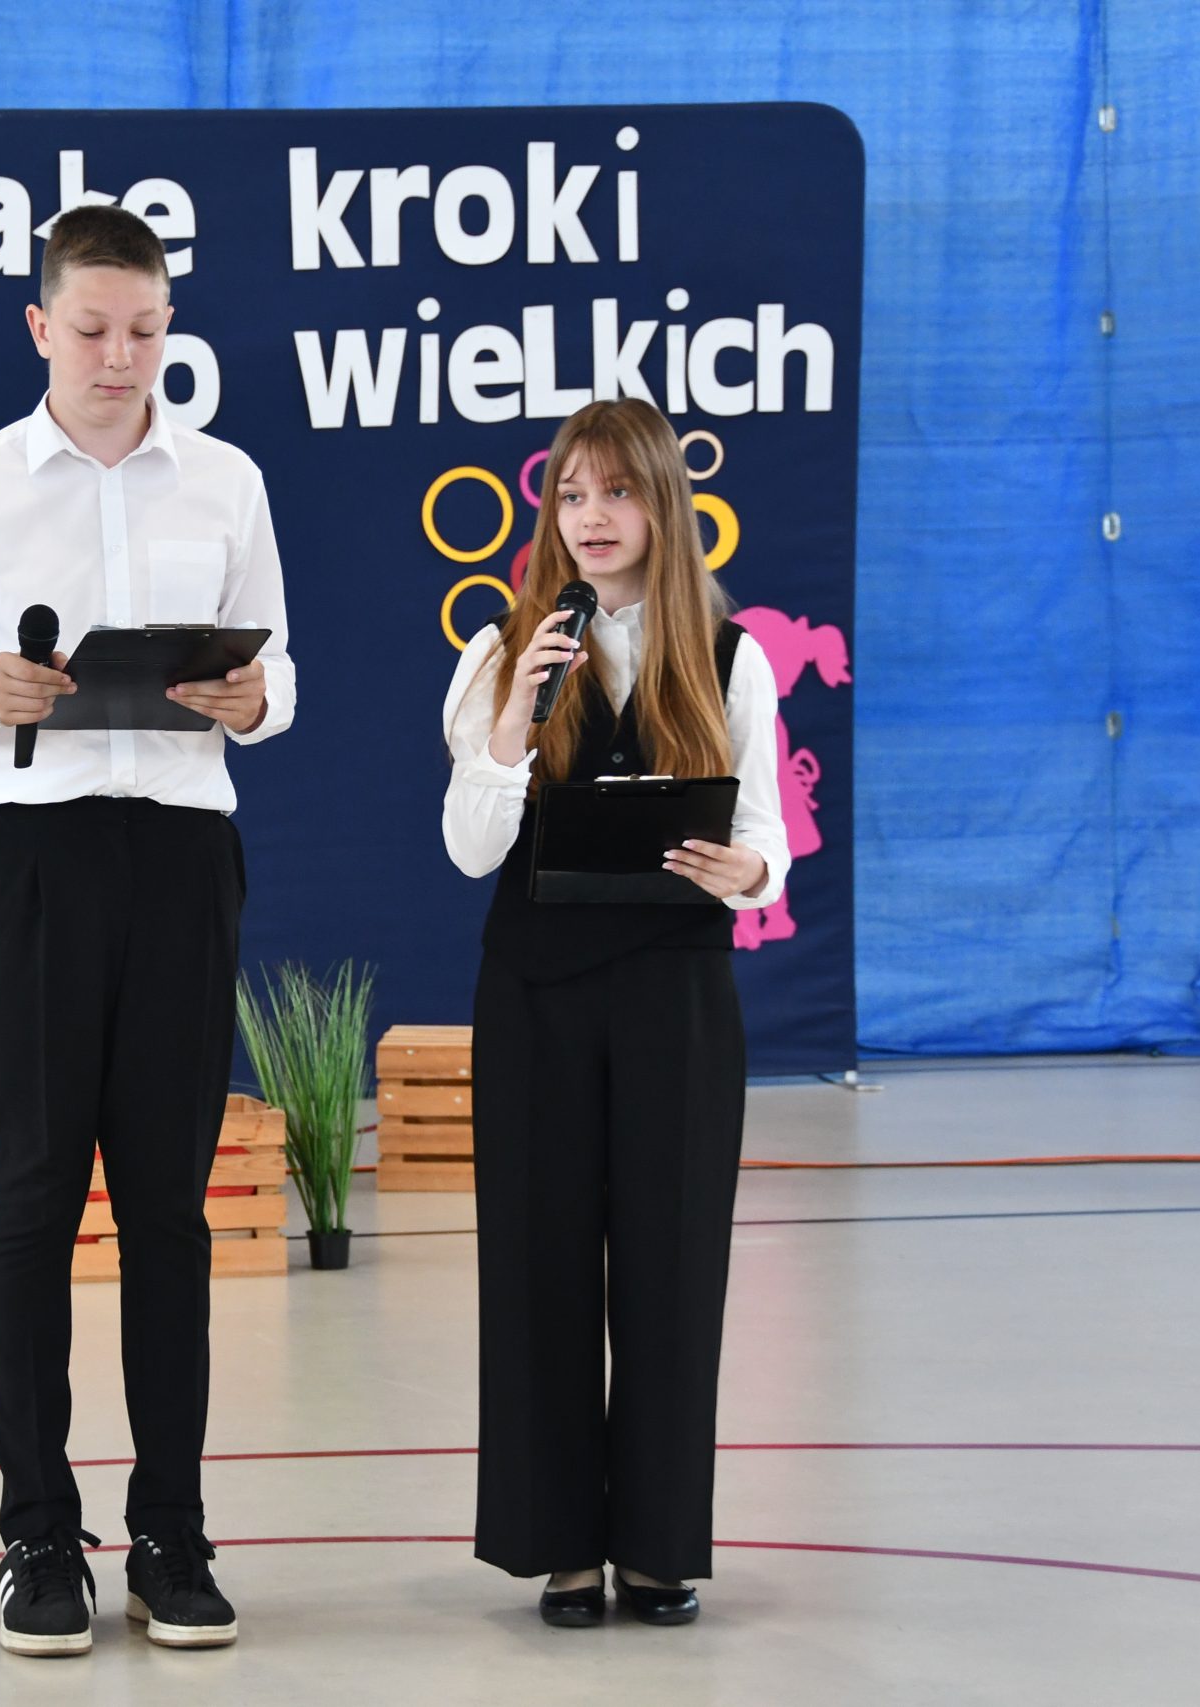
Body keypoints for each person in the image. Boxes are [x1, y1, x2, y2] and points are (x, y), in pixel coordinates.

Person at [0, 204, 295, 1658]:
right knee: (38, 1197)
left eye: (145, 329)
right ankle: (37, 1537)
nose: (121, 356)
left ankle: (172, 1531)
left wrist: (253, 698)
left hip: (181, 855)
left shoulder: (228, 481)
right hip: (32, 859)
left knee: (169, 1207)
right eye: (93, 328)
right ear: (39, 328)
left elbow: (277, 669)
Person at [439, 397, 788, 1628]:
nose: (592, 517)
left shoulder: (732, 657)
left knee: (671, 1264)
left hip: (674, 992)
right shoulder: (501, 651)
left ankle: (656, 1546)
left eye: (618, 492)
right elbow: (468, 848)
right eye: (572, 495)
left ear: (661, 505)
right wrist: (514, 720)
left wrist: (748, 872)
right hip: (534, 995)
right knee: (537, 1264)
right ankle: (559, 1548)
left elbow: (765, 844)